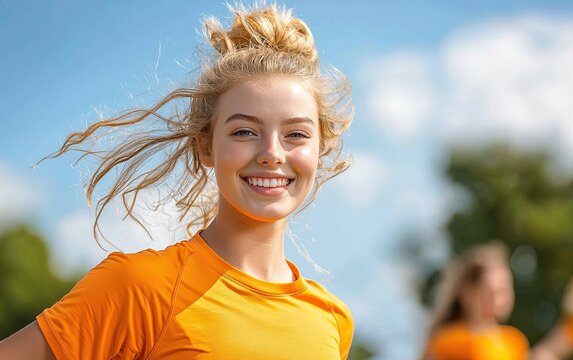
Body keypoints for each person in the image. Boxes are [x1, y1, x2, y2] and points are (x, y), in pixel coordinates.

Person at [0, 3, 354, 359]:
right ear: (205, 146)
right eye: (245, 131)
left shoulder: (332, 320)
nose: (271, 153)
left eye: (296, 134)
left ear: (320, 150)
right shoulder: (138, 288)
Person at [422, 243, 529, 360]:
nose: (500, 298)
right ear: (467, 292)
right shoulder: (448, 342)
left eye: (504, 289)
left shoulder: (515, 342)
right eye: (492, 291)